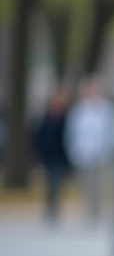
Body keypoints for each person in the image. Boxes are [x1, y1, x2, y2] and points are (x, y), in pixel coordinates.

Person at [65, 76, 114, 223]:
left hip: (101, 154)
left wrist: (109, 149)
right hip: (83, 153)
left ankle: (100, 212)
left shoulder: (105, 109)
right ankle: (89, 211)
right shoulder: (78, 110)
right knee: (86, 185)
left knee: (100, 185)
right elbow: (72, 132)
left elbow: (112, 130)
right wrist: (73, 150)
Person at [35, 90, 72, 223]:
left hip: (59, 158)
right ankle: (49, 209)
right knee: (49, 185)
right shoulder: (45, 120)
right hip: (48, 158)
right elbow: (39, 139)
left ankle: (54, 209)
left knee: (57, 185)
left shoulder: (64, 121)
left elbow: (67, 140)